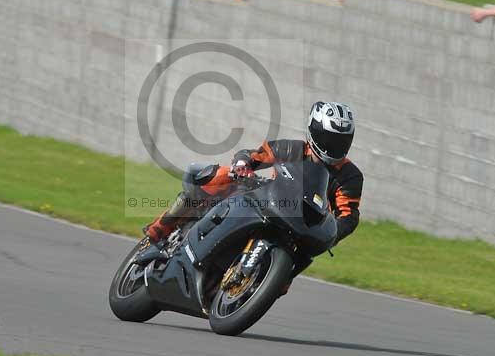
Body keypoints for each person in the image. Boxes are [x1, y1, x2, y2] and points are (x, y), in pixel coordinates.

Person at [143, 101, 363, 254]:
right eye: (328, 138)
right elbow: (251, 156)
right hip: (269, 200)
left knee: (293, 268)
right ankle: (160, 228)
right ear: (314, 131)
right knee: (223, 178)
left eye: (340, 140)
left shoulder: (350, 176)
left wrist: (330, 234)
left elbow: (348, 216)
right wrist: (242, 166)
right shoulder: (291, 149)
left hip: (302, 225)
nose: (333, 146)